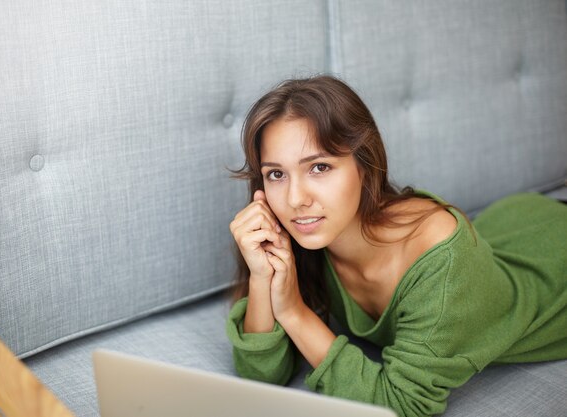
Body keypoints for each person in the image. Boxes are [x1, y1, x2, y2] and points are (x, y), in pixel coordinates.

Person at [225, 75, 567, 417]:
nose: (296, 199)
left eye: (319, 167)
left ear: (363, 164)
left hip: (554, 266)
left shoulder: (440, 259)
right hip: (507, 228)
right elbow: (260, 376)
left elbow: (405, 406)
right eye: (276, 175)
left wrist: (294, 312)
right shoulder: (306, 240)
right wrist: (262, 277)